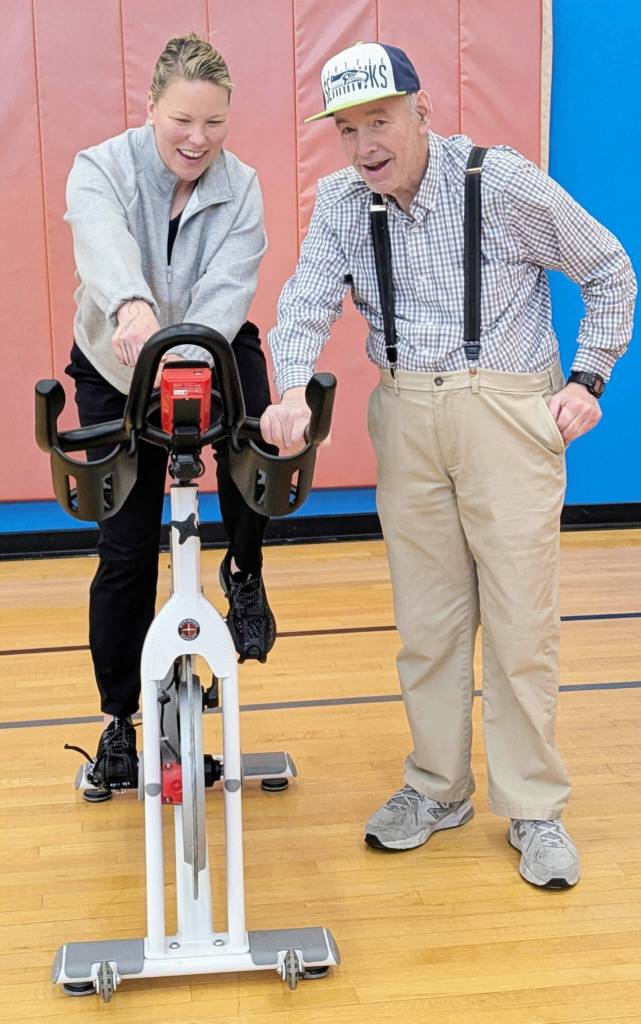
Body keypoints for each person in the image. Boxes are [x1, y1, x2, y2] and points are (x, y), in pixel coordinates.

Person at [260, 42, 636, 887]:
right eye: (348, 129)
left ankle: (534, 808)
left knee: (519, 623)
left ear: (422, 111)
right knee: (426, 623)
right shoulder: (341, 204)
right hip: (406, 413)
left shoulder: (499, 183)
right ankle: (436, 788)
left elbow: (609, 268)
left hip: (505, 408)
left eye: (380, 121)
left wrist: (588, 379)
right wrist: (287, 389)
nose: (365, 145)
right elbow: (304, 299)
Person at [65, 33, 276, 800]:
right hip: (116, 360)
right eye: (182, 120)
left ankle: (244, 574)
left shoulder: (242, 187)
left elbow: (230, 283)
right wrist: (132, 305)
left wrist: (192, 351)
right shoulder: (101, 167)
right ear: (151, 107)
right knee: (124, 553)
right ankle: (119, 721)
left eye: (214, 123)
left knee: (259, 452)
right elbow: (102, 241)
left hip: (206, 348)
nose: (198, 139)